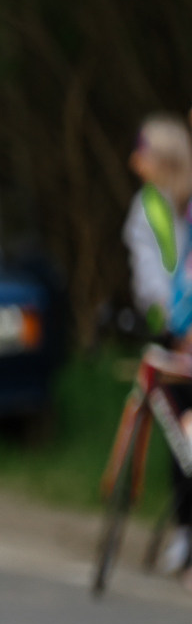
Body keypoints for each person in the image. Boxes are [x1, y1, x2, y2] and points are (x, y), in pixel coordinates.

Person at [124, 117, 192, 570]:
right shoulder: (151, 206)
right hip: (179, 331)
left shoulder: (178, 201)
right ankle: (186, 529)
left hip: (181, 328)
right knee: (181, 430)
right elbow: (157, 277)